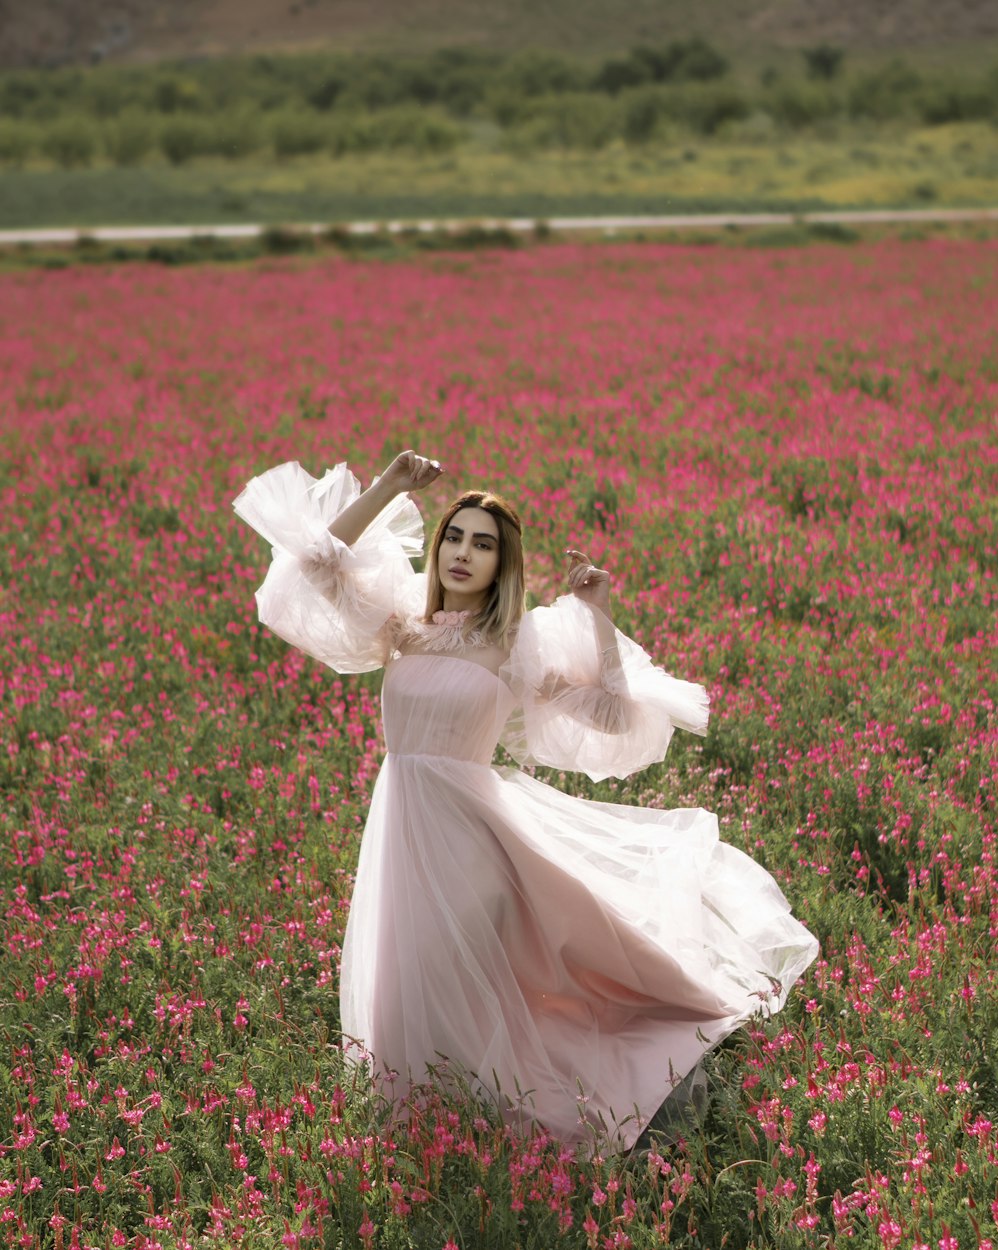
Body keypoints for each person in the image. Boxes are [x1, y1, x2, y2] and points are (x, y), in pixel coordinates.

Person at [233, 450, 818, 1150]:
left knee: (447, 969)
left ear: (500, 566)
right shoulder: (401, 628)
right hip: (402, 823)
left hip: (470, 835)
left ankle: (489, 1107)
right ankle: (431, 1119)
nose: (461, 552)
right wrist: (390, 484)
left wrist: (598, 616)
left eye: (483, 545)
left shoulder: (514, 645)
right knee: (403, 984)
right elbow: (316, 563)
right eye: (454, 536)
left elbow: (611, 716)